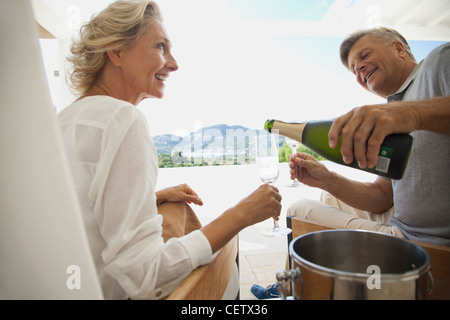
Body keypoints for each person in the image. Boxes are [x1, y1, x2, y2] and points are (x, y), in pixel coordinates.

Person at [59, 0, 282, 300]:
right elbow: (144, 276)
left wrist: (156, 196)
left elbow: (80, 214)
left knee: (175, 208)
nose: (174, 63)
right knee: (225, 248)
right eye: (161, 47)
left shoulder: (64, 120)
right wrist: (241, 213)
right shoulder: (123, 120)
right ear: (116, 51)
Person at [251, 27, 450, 299]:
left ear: (399, 49)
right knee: (327, 195)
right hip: (402, 221)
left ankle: (293, 287)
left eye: (365, 55)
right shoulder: (394, 111)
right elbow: (382, 196)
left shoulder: (439, 62)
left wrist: (411, 113)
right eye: (353, 69)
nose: (359, 71)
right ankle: (293, 282)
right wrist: (327, 178)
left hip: (424, 244)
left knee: (299, 209)